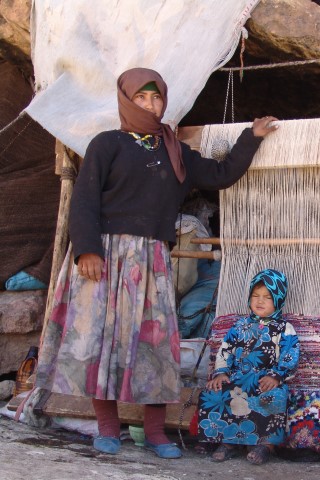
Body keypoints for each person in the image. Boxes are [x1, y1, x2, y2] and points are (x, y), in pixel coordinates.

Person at [35, 67, 278, 459]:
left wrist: (251, 139)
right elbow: (85, 200)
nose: (151, 105)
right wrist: (87, 250)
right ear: (127, 102)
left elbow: (219, 174)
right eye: (142, 98)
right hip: (106, 258)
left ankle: (155, 433)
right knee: (103, 343)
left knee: (155, 346)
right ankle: (109, 429)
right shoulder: (106, 144)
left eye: (157, 97)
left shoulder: (174, 150)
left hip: (152, 261)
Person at [197, 268, 300, 465]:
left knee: (275, 396)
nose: (260, 301)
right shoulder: (239, 326)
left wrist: (276, 376)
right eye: (256, 296)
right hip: (237, 377)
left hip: (265, 380)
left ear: (278, 299)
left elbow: (290, 355)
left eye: (267, 297)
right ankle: (227, 443)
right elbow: (225, 351)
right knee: (214, 393)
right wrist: (221, 373)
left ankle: (265, 446)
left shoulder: (285, 328)